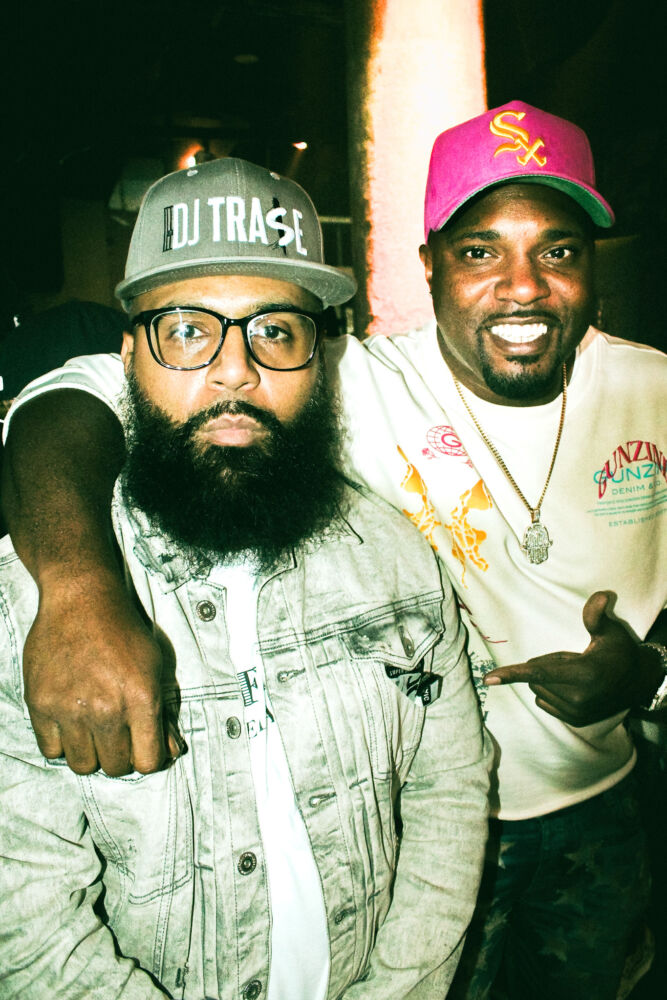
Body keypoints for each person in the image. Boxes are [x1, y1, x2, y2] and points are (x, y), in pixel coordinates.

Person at [3, 101, 667, 997]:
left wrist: (652, 672)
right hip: (423, 834)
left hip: (602, 802)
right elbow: (68, 397)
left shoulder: (654, 389)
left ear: (593, 262)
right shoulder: (342, 378)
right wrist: (77, 587)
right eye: (479, 251)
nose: (521, 287)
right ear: (429, 263)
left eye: (557, 250)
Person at [0, 158, 490, 998]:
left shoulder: (394, 558)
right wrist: (77, 588)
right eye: (189, 330)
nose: (236, 369)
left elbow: (448, 794)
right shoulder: (33, 610)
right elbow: (30, 930)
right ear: (129, 357)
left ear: (318, 358)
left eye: (275, 331)